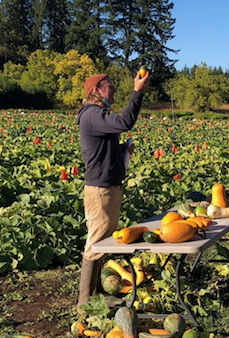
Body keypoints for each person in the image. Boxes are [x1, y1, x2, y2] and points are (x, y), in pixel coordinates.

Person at [76, 70, 150, 314]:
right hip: (100, 190)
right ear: (96, 91)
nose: (114, 89)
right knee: (95, 243)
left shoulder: (98, 115)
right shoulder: (93, 115)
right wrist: (137, 92)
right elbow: (125, 123)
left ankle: (96, 294)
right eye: (109, 85)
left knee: (101, 243)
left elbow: (102, 148)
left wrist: (121, 151)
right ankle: (85, 302)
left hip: (109, 186)